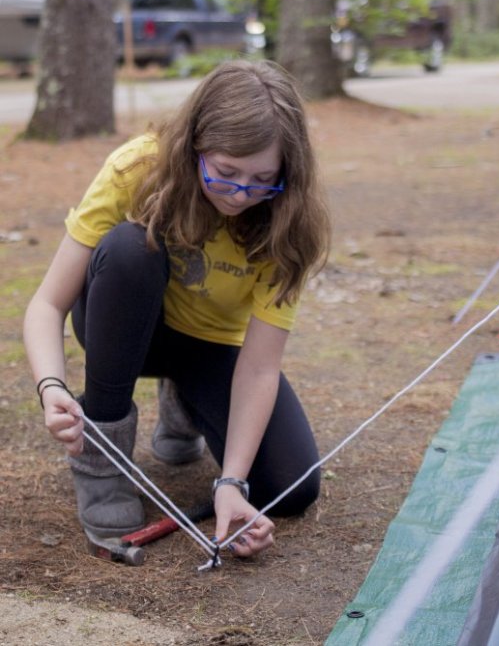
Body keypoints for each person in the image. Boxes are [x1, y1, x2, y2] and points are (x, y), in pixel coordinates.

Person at [23, 60, 330, 558]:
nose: (240, 194)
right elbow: (46, 304)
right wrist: (51, 387)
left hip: (209, 347)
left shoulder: (289, 222)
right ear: (193, 146)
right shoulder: (137, 168)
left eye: (262, 180)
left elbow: (258, 367)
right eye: (225, 173)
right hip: (125, 326)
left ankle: (184, 400)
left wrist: (231, 482)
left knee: (290, 489)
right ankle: (103, 462)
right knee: (129, 247)